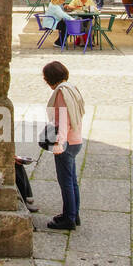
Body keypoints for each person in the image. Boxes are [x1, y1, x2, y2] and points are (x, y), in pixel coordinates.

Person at [43, 59, 85, 231]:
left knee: (66, 182)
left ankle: (69, 218)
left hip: (66, 142)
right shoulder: (72, 88)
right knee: (72, 180)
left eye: (46, 78)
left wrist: (58, 144)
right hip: (76, 140)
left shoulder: (61, 93)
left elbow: (63, 119)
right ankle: (74, 213)